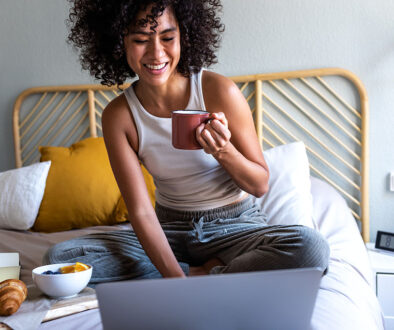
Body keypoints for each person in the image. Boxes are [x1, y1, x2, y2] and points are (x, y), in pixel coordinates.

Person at [44, 0, 329, 283]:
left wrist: (223, 150)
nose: (156, 53)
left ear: (185, 36)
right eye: (141, 40)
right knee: (60, 258)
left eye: (168, 38)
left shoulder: (219, 91)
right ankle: (207, 273)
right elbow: (141, 211)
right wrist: (177, 279)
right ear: (120, 43)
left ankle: (212, 272)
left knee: (311, 247)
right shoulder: (119, 116)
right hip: (168, 230)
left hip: (235, 227)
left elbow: (260, 184)